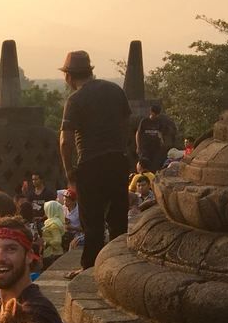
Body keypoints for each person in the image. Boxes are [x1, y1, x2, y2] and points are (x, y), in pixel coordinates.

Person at [58, 50, 132, 275]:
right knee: (118, 217)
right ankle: (121, 265)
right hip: (118, 160)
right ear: (90, 70)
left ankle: (89, 268)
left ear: (69, 76)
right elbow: (127, 125)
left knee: (93, 222)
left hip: (91, 163)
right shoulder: (114, 90)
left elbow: (65, 141)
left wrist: (69, 170)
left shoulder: (76, 99)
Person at [135, 103, 167, 170]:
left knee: (154, 165)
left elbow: (159, 132)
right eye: (154, 114)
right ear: (151, 112)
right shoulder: (144, 121)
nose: (155, 116)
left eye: (157, 114)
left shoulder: (159, 121)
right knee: (143, 164)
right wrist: (138, 146)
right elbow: (138, 133)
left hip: (155, 147)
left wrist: (162, 141)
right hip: (145, 147)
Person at [41, 200, 66, 269]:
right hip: (53, 254)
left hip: (52, 254)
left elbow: (57, 241)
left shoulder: (53, 224)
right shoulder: (53, 221)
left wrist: (46, 241)